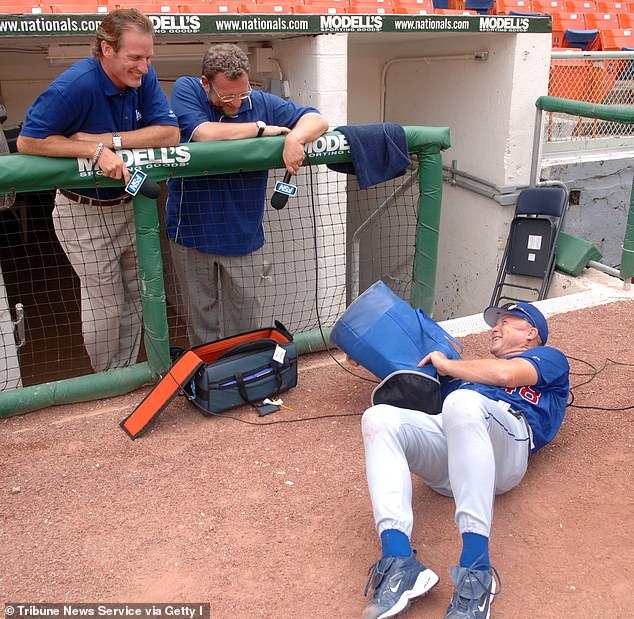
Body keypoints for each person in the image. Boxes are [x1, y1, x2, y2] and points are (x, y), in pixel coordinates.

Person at [361, 302, 570, 619]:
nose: (495, 327)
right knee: (378, 419)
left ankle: (476, 570)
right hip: (454, 461)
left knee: (461, 402)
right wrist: (366, 349)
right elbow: (411, 379)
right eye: (495, 322)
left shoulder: (549, 358)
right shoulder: (466, 379)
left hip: (507, 450)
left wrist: (448, 366)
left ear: (531, 334)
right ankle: (399, 560)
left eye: (508, 321)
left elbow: (504, 374)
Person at [17, 8, 180, 373]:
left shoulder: (143, 76)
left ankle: (126, 371)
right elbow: (29, 141)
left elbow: (169, 133)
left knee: (139, 295)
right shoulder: (76, 84)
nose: (144, 66)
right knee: (107, 304)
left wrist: (109, 140)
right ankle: (107, 381)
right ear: (107, 49)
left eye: (148, 57)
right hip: (83, 211)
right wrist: (91, 150)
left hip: (129, 205)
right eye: (135, 57)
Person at [166, 43, 328, 346]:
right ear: (206, 83)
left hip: (244, 236)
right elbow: (204, 133)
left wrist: (295, 136)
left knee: (246, 325)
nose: (236, 103)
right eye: (227, 96)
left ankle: (243, 381)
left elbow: (317, 118)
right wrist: (262, 130)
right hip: (191, 233)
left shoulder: (260, 101)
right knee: (202, 323)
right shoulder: (188, 88)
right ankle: (212, 384)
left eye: (242, 94)